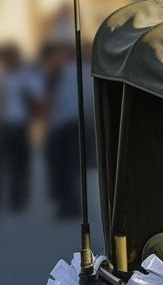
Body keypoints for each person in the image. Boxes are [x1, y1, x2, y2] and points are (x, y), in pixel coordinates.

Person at [43, 42, 93, 220]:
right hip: (66, 124)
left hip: (67, 125)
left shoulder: (69, 72)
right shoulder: (65, 73)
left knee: (65, 166)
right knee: (64, 166)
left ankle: (69, 204)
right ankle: (67, 203)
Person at [0, 43, 44, 212]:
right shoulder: (4, 76)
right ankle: (10, 197)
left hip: (21, 125)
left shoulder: (26, 76)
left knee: (21, 163)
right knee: (6, 163)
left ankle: (19, 197)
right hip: (5, 126)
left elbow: (37, 97)